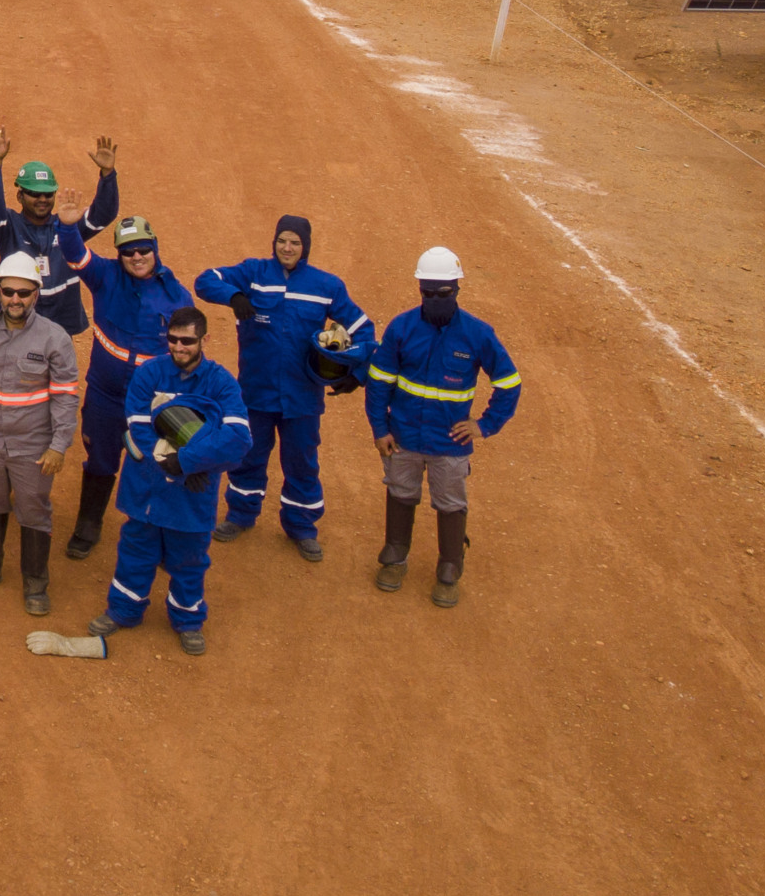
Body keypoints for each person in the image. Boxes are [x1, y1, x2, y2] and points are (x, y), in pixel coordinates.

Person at [193, 214, 371, 562]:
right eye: (282, 241)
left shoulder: (326, 286)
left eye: (295, 242)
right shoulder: (254, 274)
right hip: (255, 393)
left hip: (302, 397)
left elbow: (363, 328)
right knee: (247, 456)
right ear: (273, 243)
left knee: (302, 461)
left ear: (305, 247)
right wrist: (233, 296)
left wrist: (357, 372)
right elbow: (205, 281)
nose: (287, 248)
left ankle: (302, 526)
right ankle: (241, 515)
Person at [88, 306, 251, 656]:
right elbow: (138, 425)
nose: (179, 347)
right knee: (135, 553)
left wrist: (188, 464)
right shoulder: (149, 374)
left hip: (193, 496)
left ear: (204, 340)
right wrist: (174, 465)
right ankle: (123, 611)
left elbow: (238, 439)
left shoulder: (222, 382)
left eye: (188, 341)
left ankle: (188, 621)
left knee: (189, 562)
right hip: (146, 489)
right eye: (173, 339)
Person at [365, 246, 522, 608]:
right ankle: (395, 554)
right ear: (419, 289)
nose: (435, 300)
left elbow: (509, 383)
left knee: (450, 502)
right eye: (428, 293)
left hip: (449, 443)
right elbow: (378, 383)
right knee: (401, 492)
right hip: (402, 436)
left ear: (457, 290)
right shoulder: (401, 328)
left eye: (443, 294)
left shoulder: (478, 334)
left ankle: (450, 566)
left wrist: (484, 425)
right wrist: (379, 429)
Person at [0, 251, 81, 615]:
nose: (15, 299)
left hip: (33, 443)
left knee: (33, 507)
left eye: (23, 293)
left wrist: (59, 445)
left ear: (36, 294)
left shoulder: (55, 339)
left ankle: (35, 581)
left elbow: (65, 397)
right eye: (8, 291)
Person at [67, 216, 195, 561]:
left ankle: (157, 534)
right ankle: (89, 523)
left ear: (154, 249)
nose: (136, 257)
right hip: (105, 397)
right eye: (128, 252)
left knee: (157, 465)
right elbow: (74, 253)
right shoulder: (105, 276)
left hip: (152, 404)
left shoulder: (178, 296)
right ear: (119, 256)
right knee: (100, 460)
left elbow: (187, 353)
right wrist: (67, 226)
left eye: (143, 250)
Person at [0, 129, 110, 336]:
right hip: (17, 326)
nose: (42, 199)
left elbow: (103, 215)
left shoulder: (67, 227)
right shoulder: (9, 227)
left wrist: (108, 176)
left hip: (60, 331)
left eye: (48, 194)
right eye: (34, 194)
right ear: (20, 196)